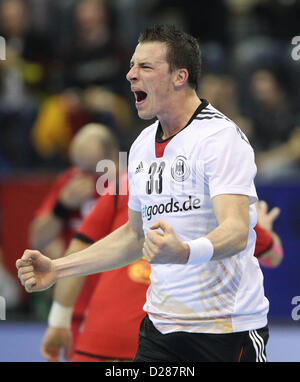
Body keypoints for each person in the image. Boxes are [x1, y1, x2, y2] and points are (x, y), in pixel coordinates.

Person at [17, 25, 270, 362]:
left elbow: (237, 231)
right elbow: (135, 236)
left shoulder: (219, 138)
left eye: (145, 67)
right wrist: (59, 268)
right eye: (132, 65)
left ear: (180, 76)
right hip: (159, 330)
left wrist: (185, 252)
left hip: (224, 331)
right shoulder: (140, 147)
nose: (130, 75)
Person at [40, 197, 282, 362]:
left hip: (103, 339)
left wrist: (59, 319)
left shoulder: (122, 187)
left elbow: (79, 247)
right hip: (168, 341)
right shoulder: (216, 198)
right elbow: (273, 256)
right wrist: (262, 228)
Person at [29, 122, 119, 355]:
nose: (84, 178)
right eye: (79, 168)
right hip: (76, 303)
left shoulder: (129, 185)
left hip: (115, 301)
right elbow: (37, 238)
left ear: (112, 158)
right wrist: (61, 207)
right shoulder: (68, 181)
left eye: (91, 171)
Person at [41, 173, 150, 362]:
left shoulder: (125, 183)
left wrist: (58, 321)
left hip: (106, 334)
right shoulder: (212, 180)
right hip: (178, 335)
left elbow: (79, 248)